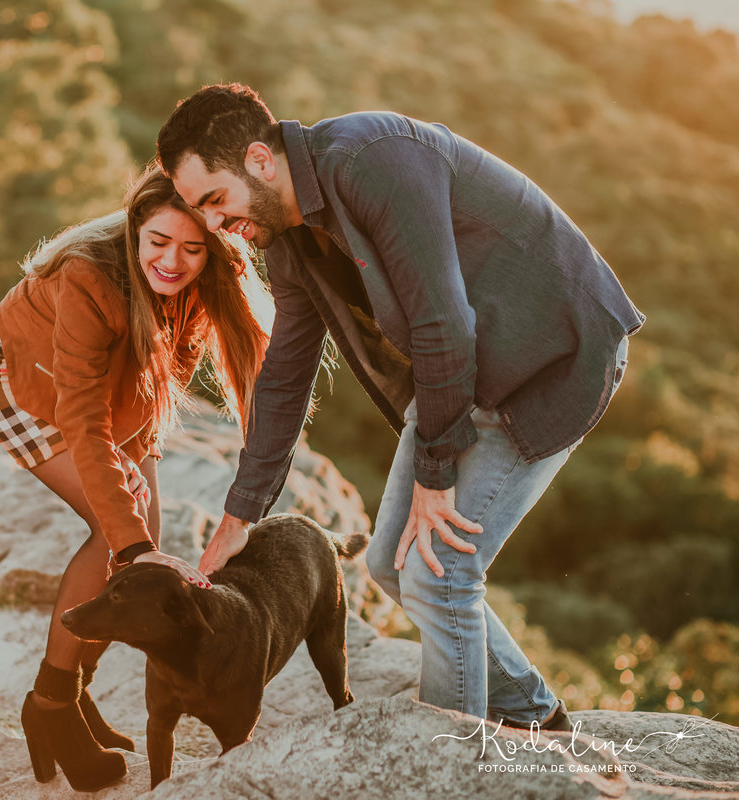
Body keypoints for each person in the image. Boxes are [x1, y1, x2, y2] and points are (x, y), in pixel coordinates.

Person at [156, 83, 644, 730]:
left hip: (550, 357)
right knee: (390, 563)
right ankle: (536, 718)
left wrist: (436, 475)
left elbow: (442, 322)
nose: (214, 225)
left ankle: (448, 766)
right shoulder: (286, 238)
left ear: (261, 159)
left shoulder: (373, 159)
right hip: (463, 378)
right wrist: (240, 516)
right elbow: (284, 375)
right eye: (200, 210)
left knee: (438, 577)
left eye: (215, 201)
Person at [0, 165, 271, 790]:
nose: (174, 260)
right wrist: (132, 546)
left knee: (143, 527)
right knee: (119, 539)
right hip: (28, 382)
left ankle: (75, 690)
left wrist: (142, 467)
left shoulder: (208, 276)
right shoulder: (86, 275)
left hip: (122, 385)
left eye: (193, 248)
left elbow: (170, 367)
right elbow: (82, 416)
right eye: (159, 241)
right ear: (136, 228)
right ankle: (50, 706)